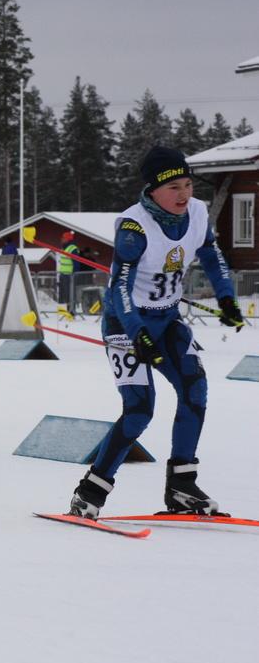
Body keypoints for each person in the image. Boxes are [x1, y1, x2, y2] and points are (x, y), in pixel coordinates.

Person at [68, 146, 244, 520]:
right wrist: (137, 334)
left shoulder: (197, 213)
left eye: (188, 185)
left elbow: (212, 258)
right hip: (126, 325)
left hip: (166, 321)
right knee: (139, 410)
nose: (184, 195)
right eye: (173, 188)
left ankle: (181, 485)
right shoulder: (134, 227)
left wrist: (227, 298)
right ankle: (89, 493)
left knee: (195, 391)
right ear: (153, 190)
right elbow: (120, 289)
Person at [56, 230, 78, 309]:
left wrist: (74, 275)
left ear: (68, 239)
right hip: (63, 275)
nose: (61, 239)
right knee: (63, 295)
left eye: (63, 238)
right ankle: (64, 310)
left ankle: (71, 311)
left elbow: (76, 263)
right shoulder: (64, 248)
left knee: (70, 295)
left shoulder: (72, 249)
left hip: (70, 276)